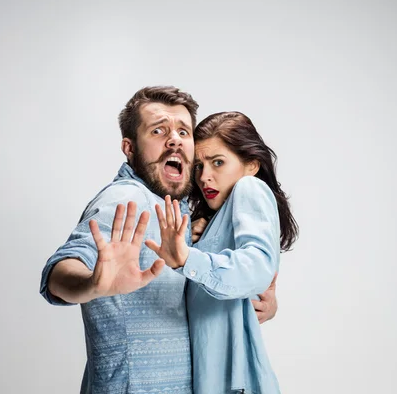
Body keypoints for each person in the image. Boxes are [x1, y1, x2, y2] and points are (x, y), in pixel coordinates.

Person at [39, 87, 277, 394]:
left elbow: (237, 263)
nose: (175, 139)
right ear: (130, 147)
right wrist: (91, 284)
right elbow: (60, 270)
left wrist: (257, 296)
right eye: (158, 130)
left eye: (183, 131)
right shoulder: (127, 199)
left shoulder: (179, 207)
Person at [145, 111, 299, 394]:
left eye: (218, 163)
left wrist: (187, 258)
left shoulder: (249, 187)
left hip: (235, 383)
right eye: (199, 166)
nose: (205, 177)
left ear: (251, 165)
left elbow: (257, 266)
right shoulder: (211, 223)